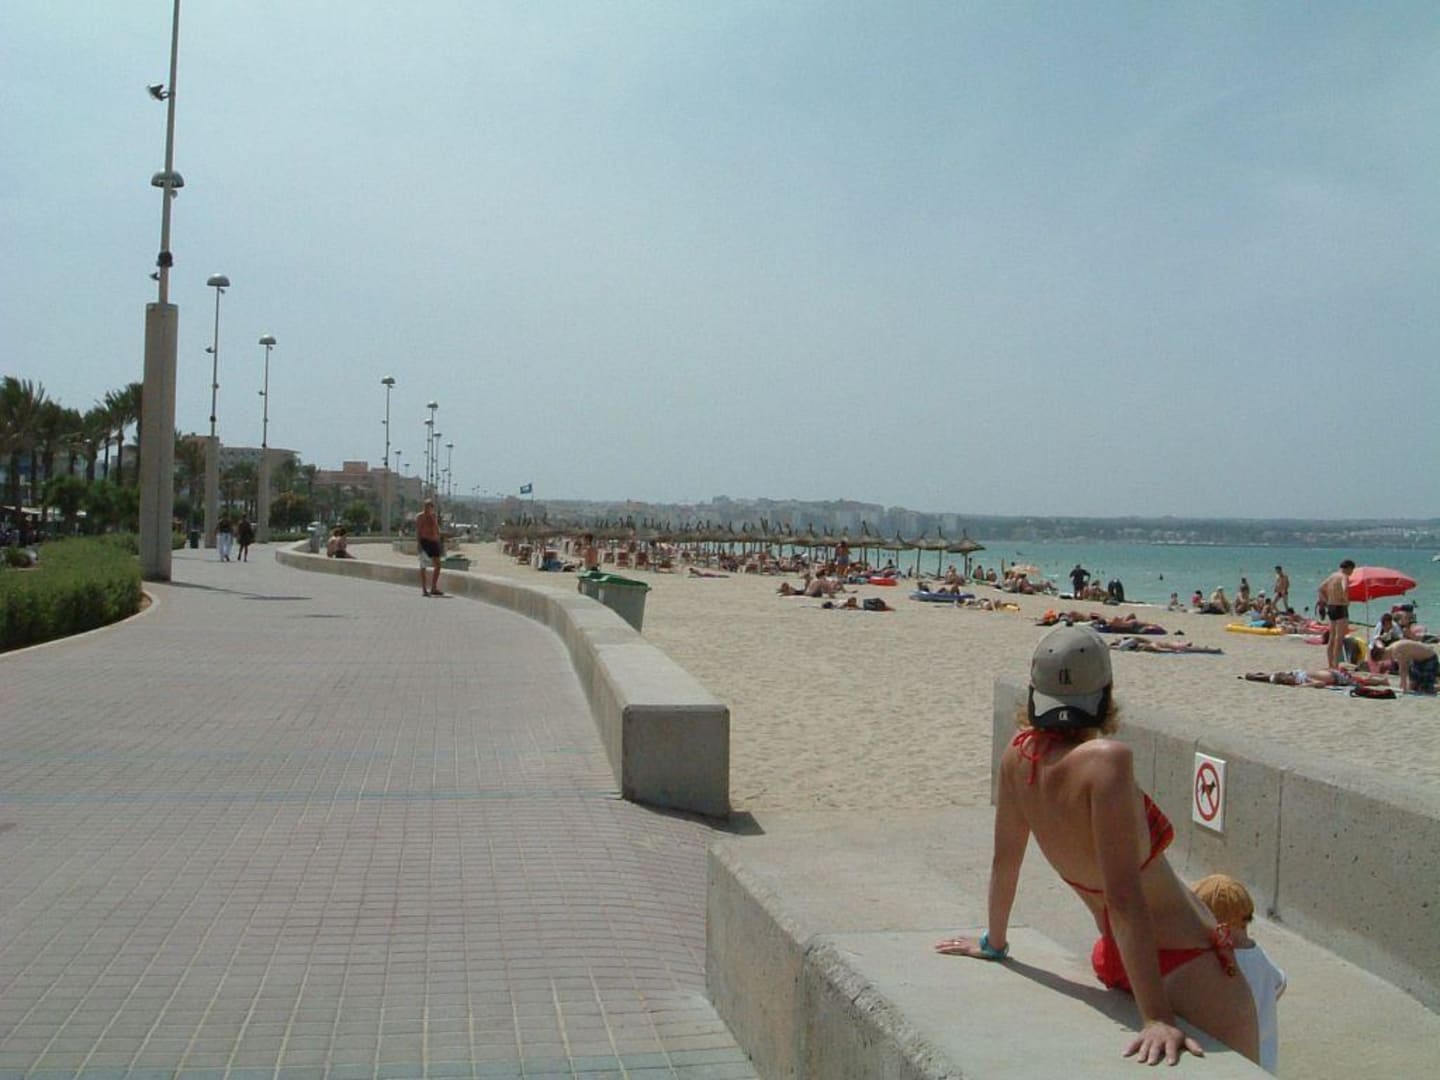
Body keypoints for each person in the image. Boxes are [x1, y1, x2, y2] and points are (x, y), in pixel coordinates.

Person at [934, 627, 1258, 1066]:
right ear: (1104, 696)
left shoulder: (1017, 757)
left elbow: (1005, 863)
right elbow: (1124, 896)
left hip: (1116, 955)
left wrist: (994, 942)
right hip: (1182, 964)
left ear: (1035, 693)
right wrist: (1155, 1017)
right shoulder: (1107, 761)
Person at [1193, 875, 1286, 1076]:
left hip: (1232, 1065)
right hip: (1264, 1064)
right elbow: (1280, 983)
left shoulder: (1218, 963)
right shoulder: (1259, 956)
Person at [1318, 560, 1355, 669]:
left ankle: (1330, 664)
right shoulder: (1344, 576)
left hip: (1331, 606)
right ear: (1349, 568)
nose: (1352, 573)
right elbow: (1345, 587)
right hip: (1340, 606)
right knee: (1339, 638)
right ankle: (1335, 665)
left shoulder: (1332, 576)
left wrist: (1326, 600)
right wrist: (1346, 600)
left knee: (1332, 637)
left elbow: (1320, 588)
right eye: (1352, 570)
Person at [1370, 640, 1439, 694]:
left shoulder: (1396, 650)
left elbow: (1403, 668)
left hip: (1429, 659)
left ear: (1382, 656)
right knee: (1413, 687)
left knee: (1425, 689)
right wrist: (1403, 684)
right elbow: (1405, 665)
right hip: (1417, 661)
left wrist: (1403, 686)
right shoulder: (1393, 648)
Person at [415, 499, 444, 596]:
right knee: (423, 566)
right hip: (425, 542)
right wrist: (419, 544)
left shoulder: (433, 516)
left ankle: (433, 587)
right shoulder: (420, 517)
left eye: (430, 506)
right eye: (426, 506)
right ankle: (424, 589)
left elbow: (436, 529)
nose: (427, 508)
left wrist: (439, 540)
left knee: (438, 565)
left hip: (433, 542)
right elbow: (418, 530)